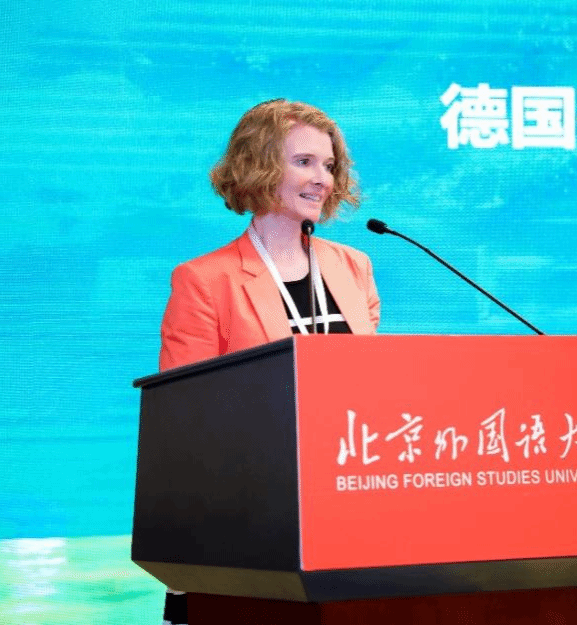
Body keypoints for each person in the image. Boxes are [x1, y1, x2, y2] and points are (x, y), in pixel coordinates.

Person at [157, 99, 380, 625]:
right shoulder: (204, 280)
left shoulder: (354, 267)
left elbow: (374, 389)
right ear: (258, 167)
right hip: (251, 521)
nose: (322, 178)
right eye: (303, 162)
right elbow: (183, 422)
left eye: (328, 165)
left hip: (350, 509)